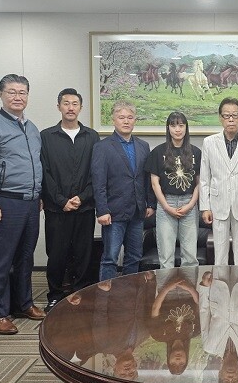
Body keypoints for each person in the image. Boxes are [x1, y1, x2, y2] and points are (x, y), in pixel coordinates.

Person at [0, 74, 45, 334]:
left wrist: (39, 194)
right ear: (1, 95)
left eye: (22, 92)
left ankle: (24, 304)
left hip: (31, 202)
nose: (17, 97)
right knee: (1, 260)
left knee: (26, 256)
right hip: (5, 202)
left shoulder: (32, 128)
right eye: (12, 92)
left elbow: (37, 165)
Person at [40, 88, 100, 312]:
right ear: (59, 107)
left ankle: (80, 293)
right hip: (57, 209)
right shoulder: (46, 136)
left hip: (85, 208)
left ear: (81, 108)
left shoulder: (92, 137)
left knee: (84, 253)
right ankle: (55, 295)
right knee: (56, 253)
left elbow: (96, 173)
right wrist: (61, 200)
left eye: (75, 104)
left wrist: (82, 198)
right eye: (66, 103)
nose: (70, 108)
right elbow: (44, 172)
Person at [91, 99, 155, 280]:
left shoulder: (143, 146)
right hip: (113, 212)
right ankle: (107, 295)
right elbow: (98, 182)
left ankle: (129, 293)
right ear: (113, 120)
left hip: (137, 211)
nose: (126, 121)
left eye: (130, 117)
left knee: (134, 256)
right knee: (110, 258)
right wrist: (102, 210)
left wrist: (150, 203)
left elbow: (146, 178)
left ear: (135, 120)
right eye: (121, 117)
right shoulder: (102, 147)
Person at [200, 97, 238, 265]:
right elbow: (205, 178)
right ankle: (220, 283)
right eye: (226, 115)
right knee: (219, 255)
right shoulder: (209, 142)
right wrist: (205, 207)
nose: (231, 119)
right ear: (220, 118)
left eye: (235, 115)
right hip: (218, 203)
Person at [145, 112, 201, 268]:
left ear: (186, 128)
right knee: (166, 256)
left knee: (190, 257)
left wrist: (191, 204)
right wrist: (166, 206)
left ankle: (190, 285)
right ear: (168, 128)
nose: (177, 129)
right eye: (173, 125)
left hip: (189, 202)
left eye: (181, 125)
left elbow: (199, 183)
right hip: (166, 203)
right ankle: (166, 285)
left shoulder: (196, 152)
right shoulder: (158, 152)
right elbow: (155, 183)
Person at [197, 266, 238, 383]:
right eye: (235, 381)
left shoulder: (209, 346)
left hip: (218, 294)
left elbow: (204, 314)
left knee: (220, 257)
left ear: (220, 374)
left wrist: (205, 288)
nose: (231, 378)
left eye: (226, 381)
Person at [145, 267, 200, 375]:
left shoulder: (158, 335)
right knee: (189, 261)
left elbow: (155, 308)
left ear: (168, 359)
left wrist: (167, 288)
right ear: (186, 358)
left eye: (173, 363)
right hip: (188, 292)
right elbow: (200, 306)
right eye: (181, 363)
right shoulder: (195, 332)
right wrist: (190, 289)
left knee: (166, 262)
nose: (178, 360)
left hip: (166, 293)